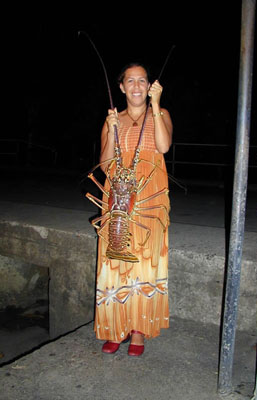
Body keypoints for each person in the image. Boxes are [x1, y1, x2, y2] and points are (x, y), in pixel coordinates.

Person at [94, 62, 173, 356]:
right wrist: (112, 130)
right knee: (115, 262)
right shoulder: (112, 119)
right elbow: (103, 165)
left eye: (143, 80)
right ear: (122, 87)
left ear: (149, 85)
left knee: (145, 261)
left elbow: (164, 148)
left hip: (150, 195)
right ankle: (116, 327)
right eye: (131, 80)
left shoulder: (161, 114)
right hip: (117, 198)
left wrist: (156, 104)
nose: (137, 85)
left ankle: (138, 330)